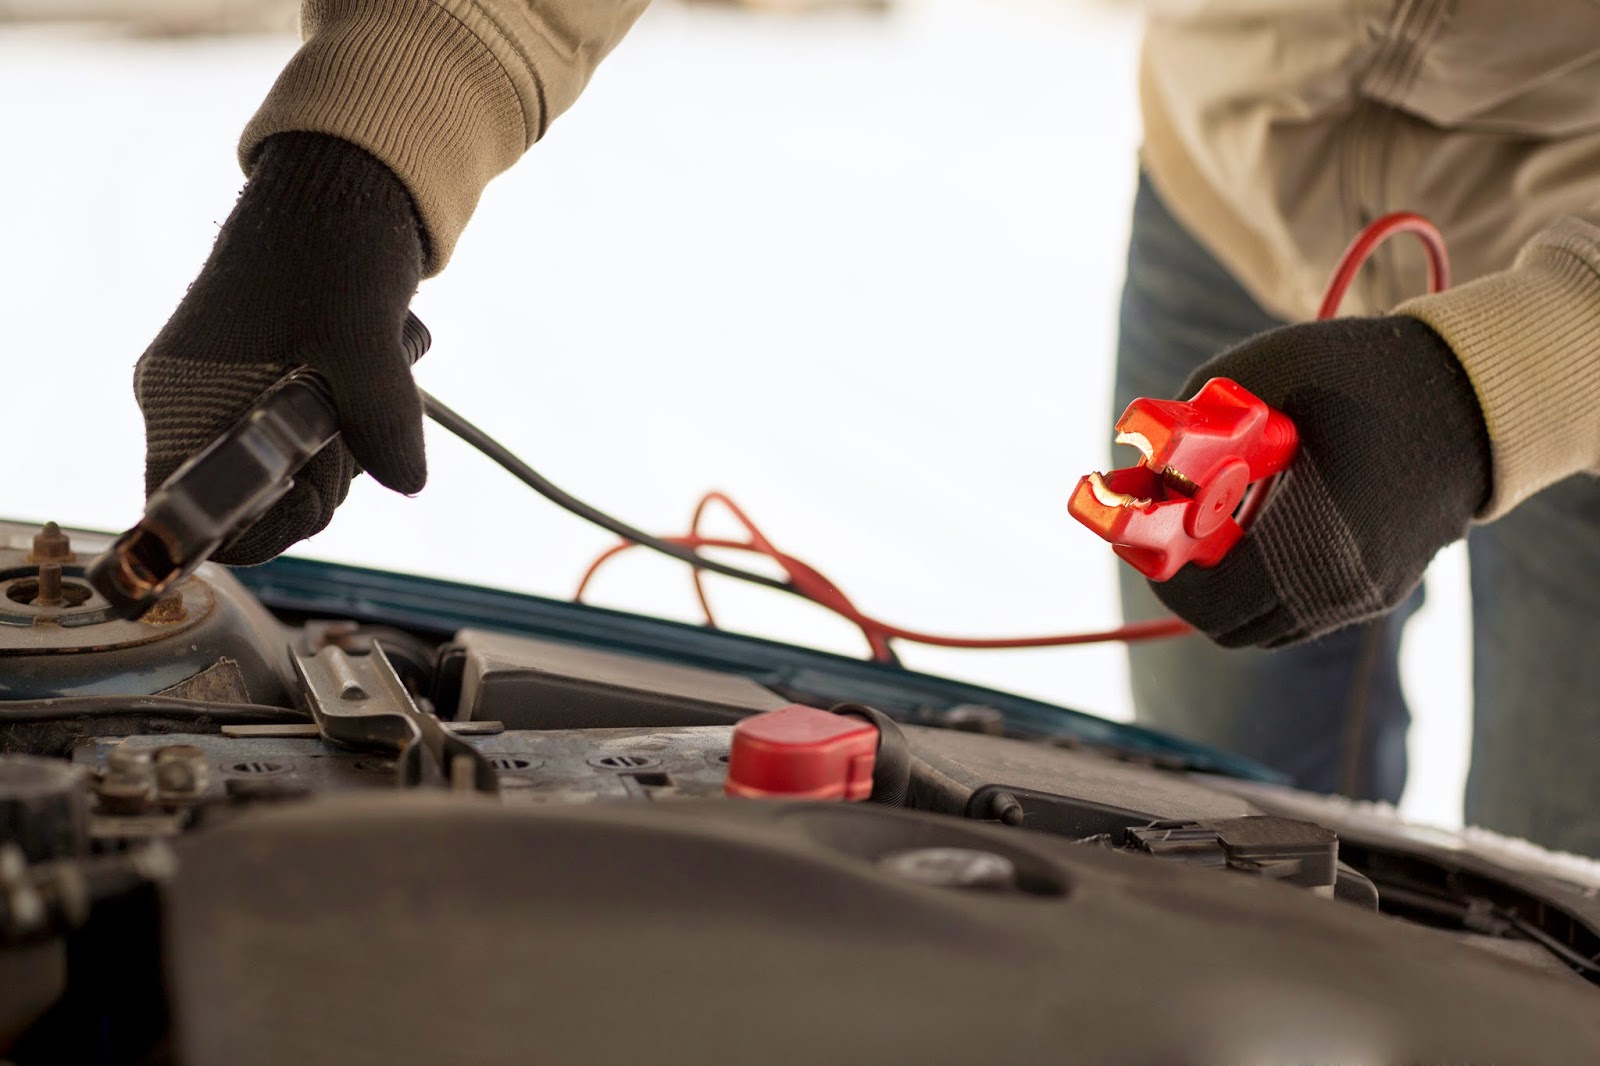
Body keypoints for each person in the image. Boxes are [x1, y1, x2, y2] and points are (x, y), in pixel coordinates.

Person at [134, 2, 1600, 853]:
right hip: (1233, 187)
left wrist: (1490, 389)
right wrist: (356, 157)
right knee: (1238, 829)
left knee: (1551, 889)